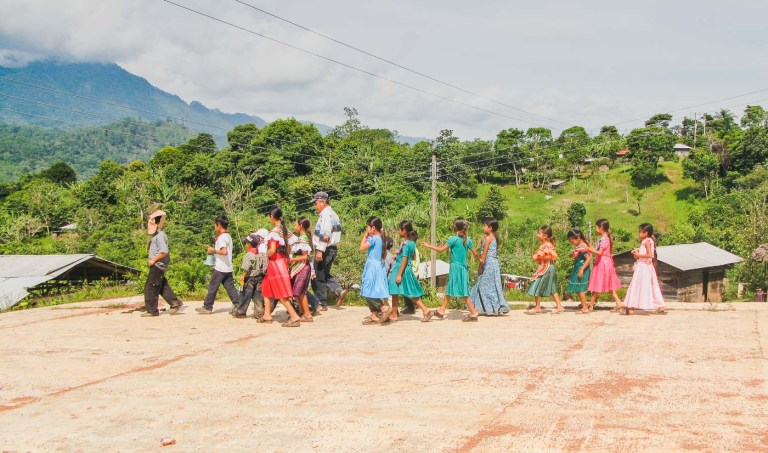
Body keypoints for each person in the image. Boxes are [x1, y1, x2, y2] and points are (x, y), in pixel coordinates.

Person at [422, 218, 480, 322]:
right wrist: (480, 260)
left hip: (455, 267)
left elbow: (440, 250)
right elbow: (475, 253)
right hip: (462, 268)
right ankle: (442, 310)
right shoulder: (468, 240)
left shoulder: (453, 239)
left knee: (462, 291)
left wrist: (429, 245)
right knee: (451, 287)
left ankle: (473, 312)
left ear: (455, 227)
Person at [381, 221, 433, 324]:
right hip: (407, 268)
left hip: (401, 268)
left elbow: (405, 259)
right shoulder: (412, 243)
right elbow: (412, 257)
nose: (398, 232)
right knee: (397, 291)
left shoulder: (405, 244)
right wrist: (399, 256)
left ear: (404, 231)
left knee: (402, 290)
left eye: (400, 230)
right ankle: (395, 314)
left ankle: (426, 310)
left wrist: (399, 274)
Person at [260, 207, 302, 327]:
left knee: (280, 291)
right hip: (282, 260)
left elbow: (272, 250)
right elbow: (289, 247)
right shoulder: (285, 230)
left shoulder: (273, 232)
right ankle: (267, 314)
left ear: (272, 217)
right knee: (266, 287)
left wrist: (264, 255)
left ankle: (294, 316)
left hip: (275, 262)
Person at [142, 210, 183, 317]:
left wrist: (153, 260)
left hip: (157, 266)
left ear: (155, 223)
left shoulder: (160, 236)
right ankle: (175, 303)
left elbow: (164, 251)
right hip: (158, 266)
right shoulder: (157, 235)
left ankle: (152, 311)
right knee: (162, 286)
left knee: (150, 287)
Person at [196, 215, 240, 315]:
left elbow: (224, 252)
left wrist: (213, 250)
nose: (214, 227)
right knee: (230, 287)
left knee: (212, 286)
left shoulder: (221, 237)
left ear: (219, 225)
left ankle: (207, 307)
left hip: (220, 267)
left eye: (215, 225)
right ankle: (238, 304)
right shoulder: (228, 236)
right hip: (228, 267)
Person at [311, 192, 347, 309]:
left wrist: (320, 250)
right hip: (332, 248)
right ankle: (338, 290)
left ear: (323, 202)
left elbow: (326, 234)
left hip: (325, 248)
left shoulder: (326, 215)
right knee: (324, 274)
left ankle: (321, 302)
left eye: (316, 203)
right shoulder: (333, 214)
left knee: (318, 275)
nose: (315, 206)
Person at [623, 223, 667, 315]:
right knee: (650, 285)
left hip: (643, 267)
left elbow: (649, 254)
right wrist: (637, 251)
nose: (639, 234)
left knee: (636, 285)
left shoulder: (646, 241)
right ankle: (660, 304)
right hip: (645, 266)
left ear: (645, 233)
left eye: (640, 232)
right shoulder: (649, 240)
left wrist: (638, 255)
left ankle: (632, 306)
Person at [470, 218, 510, 316]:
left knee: (484, 285)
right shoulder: (494, 237)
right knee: (491, 285)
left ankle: (492, 307)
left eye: (484, 225)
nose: (483, 227)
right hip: (494, 263)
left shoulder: (488, 238)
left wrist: (480, 265)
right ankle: (491, 307)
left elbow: (484, 255)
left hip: (489, 264)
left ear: (490, 228)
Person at [585, 219, 623, 311]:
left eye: (596, 227)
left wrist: (589, 249)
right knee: (606, 284)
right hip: (606, 263)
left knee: (597, 283)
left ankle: (591, 305)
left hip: (602, 264)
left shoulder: (604, 239)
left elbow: (599, 253)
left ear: (601, 228)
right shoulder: (606, 238)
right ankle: (618, 302)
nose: (595, 229)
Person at [359, 216, 392, 325]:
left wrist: (365, 235)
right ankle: (374, 315)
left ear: (373, 228)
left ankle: (383, 307)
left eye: (367, 227)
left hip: (372, 266)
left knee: (367, 290)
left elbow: (362, 247)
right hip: (377, 266)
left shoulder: (373, 238)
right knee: (371, 290)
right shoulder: (381, 239)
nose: (367, 229)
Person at [527, 225, 564, 314]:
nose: (537, 235)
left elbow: (550, 256)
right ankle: (559, 306)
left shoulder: (547, 245)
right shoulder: (545, 245)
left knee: (537, 283)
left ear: (545, 236)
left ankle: (537, 307)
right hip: (546, 267)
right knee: (552, 287)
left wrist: (541, 257)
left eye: (539, 233)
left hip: (546, 267)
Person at [233, 231, 268, 319]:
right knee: (258, 297)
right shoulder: (260, 255)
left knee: (245, 295)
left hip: (249, 278)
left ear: (249, 244)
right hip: (259, 278)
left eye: (246, 243)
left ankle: (241, 312)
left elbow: (246, 268)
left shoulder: (248, 255)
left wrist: (242, 276)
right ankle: (259, 313)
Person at [290, 217, 314, 323]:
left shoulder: (303, 239)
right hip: (299, 267)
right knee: (297, 292)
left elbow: (305, 257)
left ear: (301, 226)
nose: (295, 226)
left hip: (303, 267)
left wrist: (291, 260)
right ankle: (302, 311)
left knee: (301, 292)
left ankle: (307, 314)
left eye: (296, 224)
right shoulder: (300, 238)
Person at [566, 229, 593, 314]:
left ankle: (585, 308)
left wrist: (582, 269)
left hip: (581, 269)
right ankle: (584, 304)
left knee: (580, 288)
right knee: (577, 288)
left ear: (577, 238)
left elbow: (588, 259)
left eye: (572, 241)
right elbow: (577, 255)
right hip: (577, 268)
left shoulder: (583, 246)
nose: (572, 243)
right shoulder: (579, 245)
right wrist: (572, 255)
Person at [400, 230, 420, 315]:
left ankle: (411, 308)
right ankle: (412, 306)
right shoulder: (414, 248)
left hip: (412, 272)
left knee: (407, 291)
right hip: (415, 272)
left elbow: (410, 260)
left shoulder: (410, 248)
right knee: (409, 290)